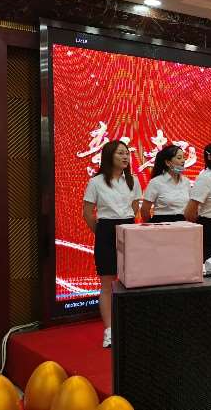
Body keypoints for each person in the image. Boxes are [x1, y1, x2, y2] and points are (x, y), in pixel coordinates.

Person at [82, 140, 142, 348]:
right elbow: (88, 213)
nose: (125, 157)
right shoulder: (96, 182)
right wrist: (102, 233)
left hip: (128, 230)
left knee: (130, 282)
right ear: (109, 156)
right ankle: (109, 330)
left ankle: (129, 327)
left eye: (127, 153)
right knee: (107, 283)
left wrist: (124, 228)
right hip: (106, 230)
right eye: (120, 153)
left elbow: (135, 209)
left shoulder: (133, 181)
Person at [140, 145, 190, 223]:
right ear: (168, 162)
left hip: (183, 224)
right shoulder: (156, 182)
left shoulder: (186, 182)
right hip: (161, 224)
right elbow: (144, 210)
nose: (183, 161)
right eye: (179, 158)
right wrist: (152, 226)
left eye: (184, 158)